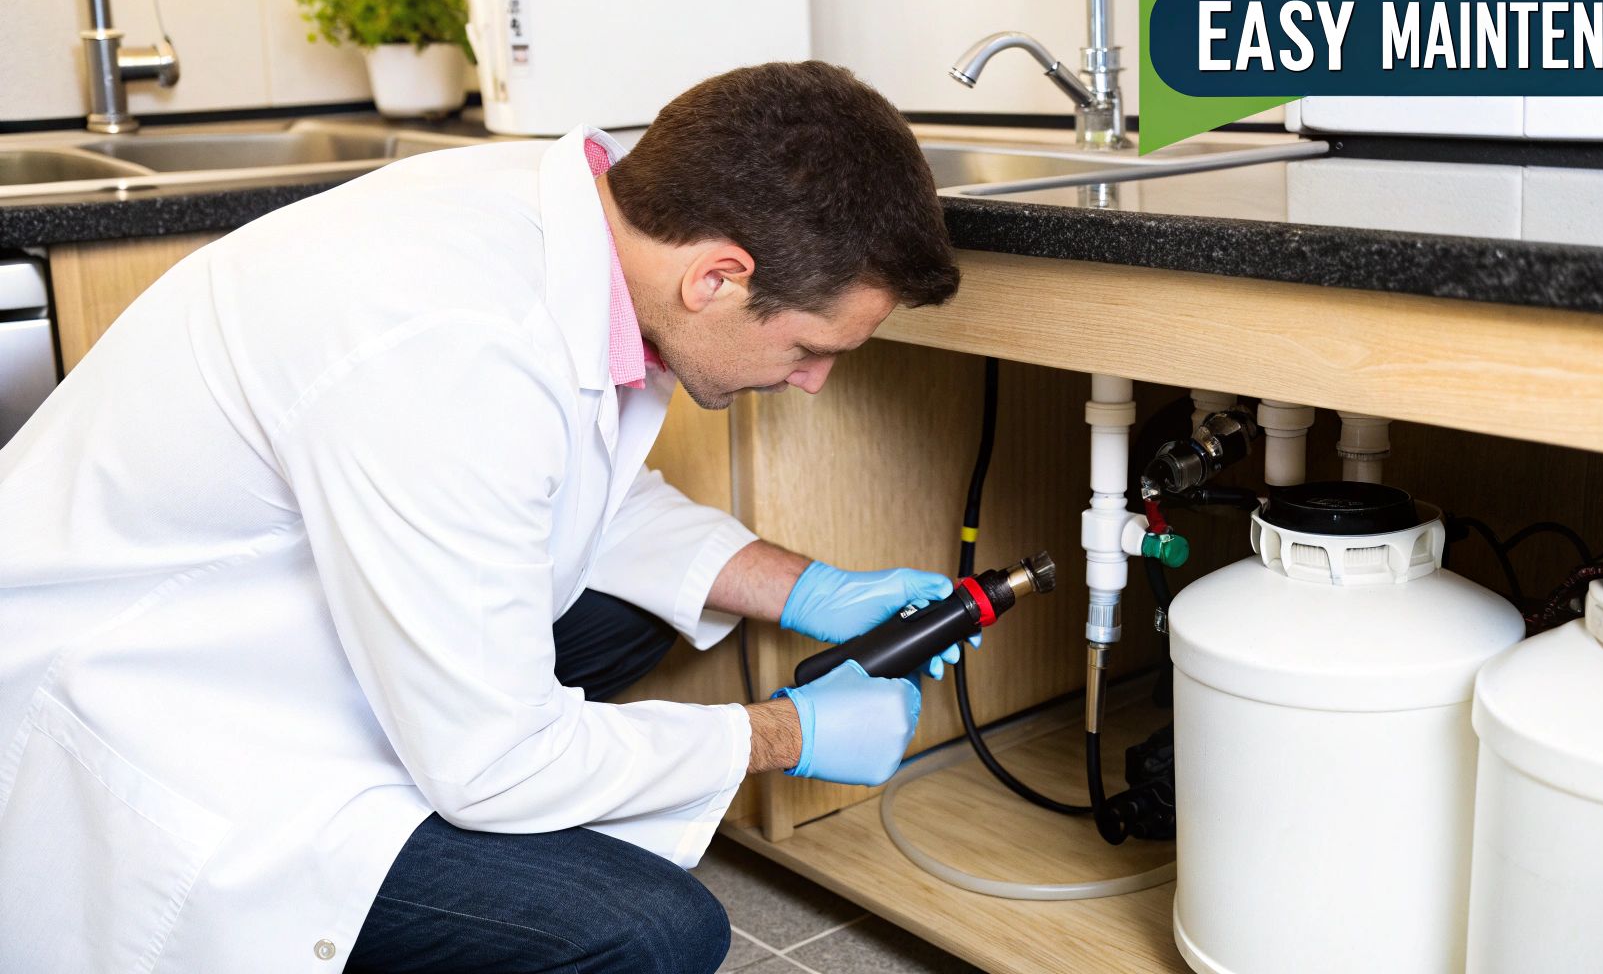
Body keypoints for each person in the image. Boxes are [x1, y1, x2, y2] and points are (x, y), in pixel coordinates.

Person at [0, 61, 962, 973]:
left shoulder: (576, 219)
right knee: (649, 932)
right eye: (808, 348)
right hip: (151, 709)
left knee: (630, 614)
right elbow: (495, 760)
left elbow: (552, 490)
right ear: (716, 277)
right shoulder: (451, 348)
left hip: (256, 617)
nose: (813, 382)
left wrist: (808, 590)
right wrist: (781, 734)